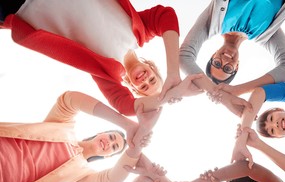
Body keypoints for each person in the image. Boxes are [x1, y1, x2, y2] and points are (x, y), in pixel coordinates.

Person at [1, 0, 195, 116]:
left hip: (21, 5)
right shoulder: (140, 32)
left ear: (134, 88)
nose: (145, 80)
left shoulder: (107, 73)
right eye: (152, 79)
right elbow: (166, 16)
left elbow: (125, 106)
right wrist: (173, 73)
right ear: (152, 67)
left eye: (143, 87)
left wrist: (165, 98)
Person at [0, 90, 161, 182]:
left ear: (107, 157)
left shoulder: (80, 175)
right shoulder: (63, 126)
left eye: (114, 147)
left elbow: (110, 181)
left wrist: (135, 148)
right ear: (100, 133)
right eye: (111, 137)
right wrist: (127, 124)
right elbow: (69, 99)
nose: (109, 143)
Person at [179, 0, 285, 108]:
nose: (225, 61)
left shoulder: (212, 23)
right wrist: (237, 90)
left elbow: (184, 56)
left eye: (217, 63)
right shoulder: (266, 35)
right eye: (227, 68)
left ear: (213, 55)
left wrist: (212, 90)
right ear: (236, 66)